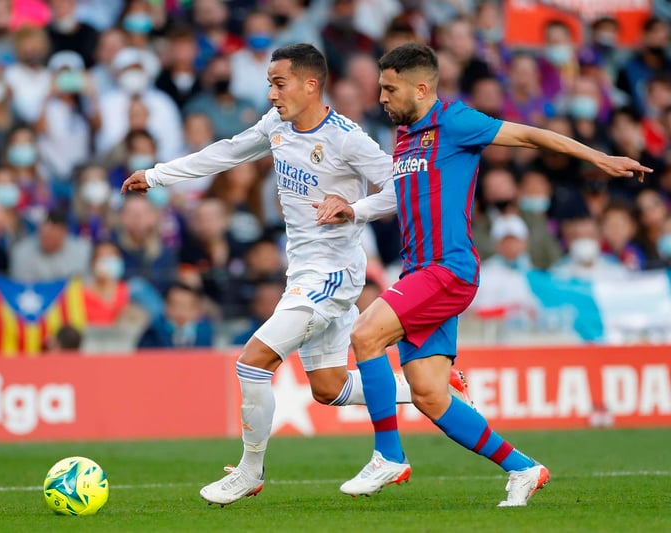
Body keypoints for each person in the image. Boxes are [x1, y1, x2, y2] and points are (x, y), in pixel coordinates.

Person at [122, 43, 471, 506]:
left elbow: (400, 188)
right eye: (269, 83)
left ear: (310, 85)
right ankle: (431, 389)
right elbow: (227, 152)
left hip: (331, 275)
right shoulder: (276, 126)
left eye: (278, 83)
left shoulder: (348, 138)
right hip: (302, 273)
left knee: (251, 362)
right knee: (329, 388)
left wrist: (353, 209)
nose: (270, 93)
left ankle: (249, 471)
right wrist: (158, 174)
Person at [314, 43, 651, 507]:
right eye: (381, 87)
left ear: (421, 86)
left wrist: (598, 157)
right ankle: (524, 468)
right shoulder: (407, 134)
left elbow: (533, 136)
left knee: (366, 334)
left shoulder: (455, 122)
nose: (383, 97)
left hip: (446, 269)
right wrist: (354, 210)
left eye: (390, 88)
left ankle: (388, 455)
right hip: (419, 271)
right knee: (429, 394)